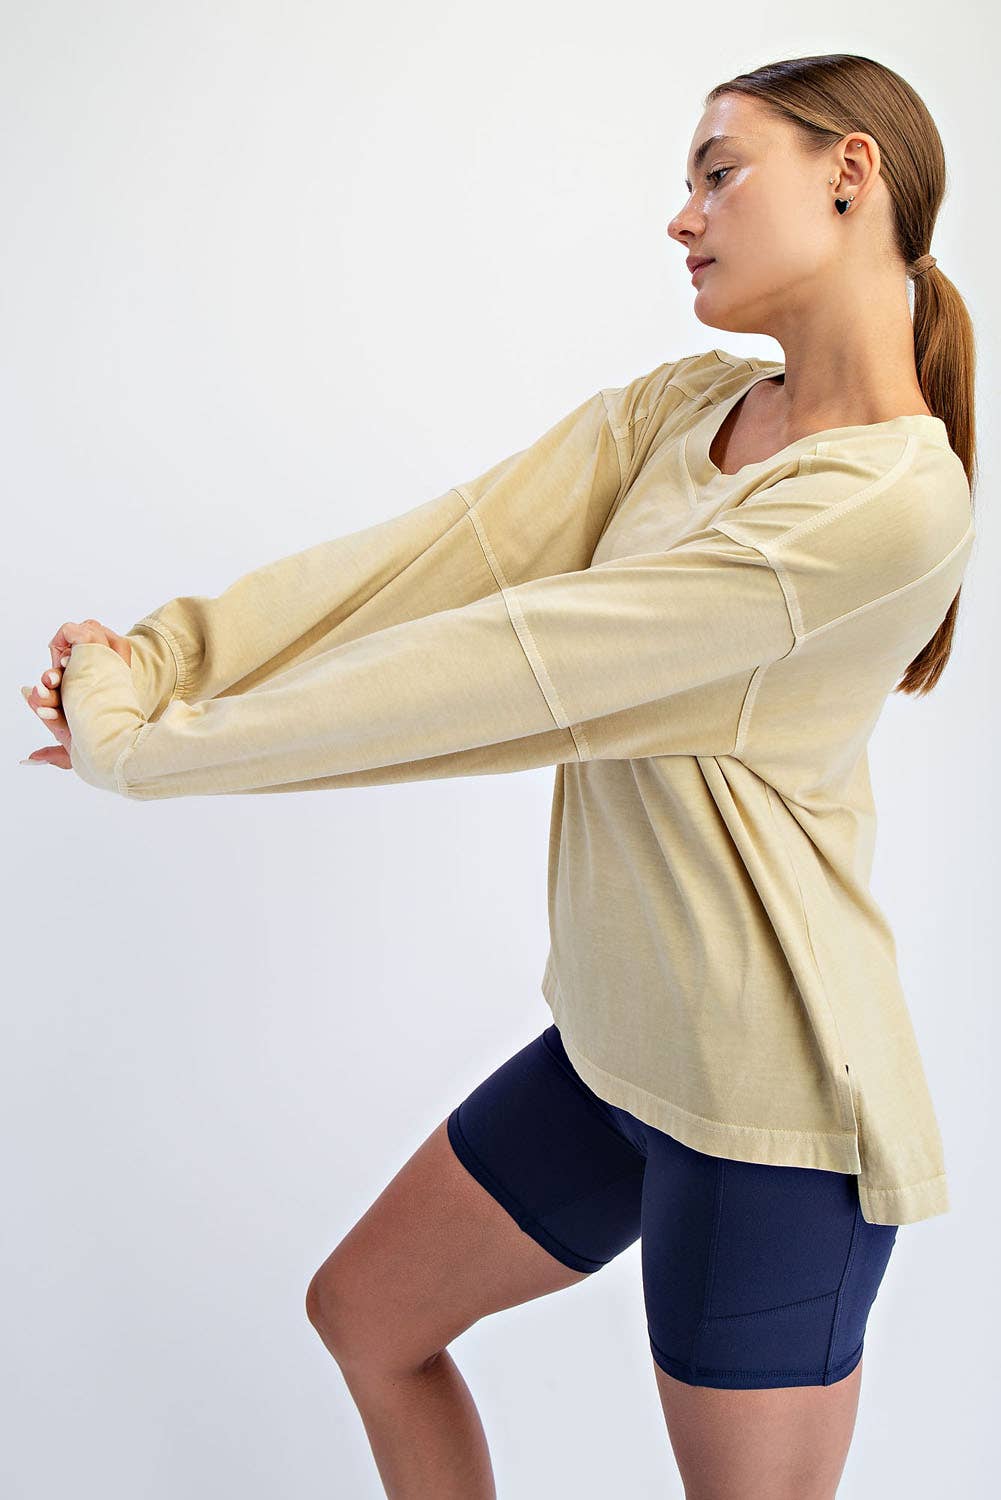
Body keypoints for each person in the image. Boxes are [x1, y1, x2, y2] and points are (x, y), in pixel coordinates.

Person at [21, 53, 977, 1500]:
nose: (681, 216)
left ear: (850, 174)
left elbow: (525, 665)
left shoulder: (889, 504)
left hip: (772, 1116)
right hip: (614, 1055)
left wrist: (163, 754)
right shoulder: (687, 410)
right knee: (367, 1321)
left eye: (718, 171)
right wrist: (169, 658)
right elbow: (442, 559)